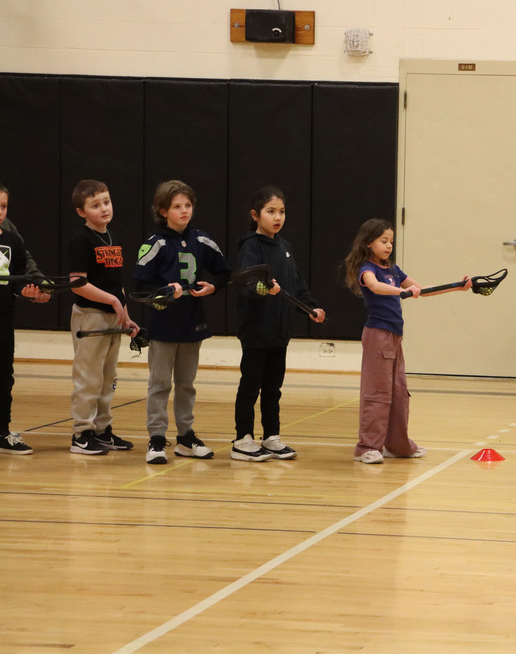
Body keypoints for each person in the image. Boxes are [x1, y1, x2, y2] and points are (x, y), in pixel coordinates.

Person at [341, 218, 470, 464]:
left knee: (398, 392)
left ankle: (398, 445)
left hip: (394, 337)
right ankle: (367, 447)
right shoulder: (367, 269)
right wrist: (402, 291)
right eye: (383, 241)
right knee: (377, 392)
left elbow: (422, 289)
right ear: (369, 243)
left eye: (391, 241)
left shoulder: (393, 270)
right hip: (377, 335)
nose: (389, 245)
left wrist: (458, 287)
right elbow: (375, 286)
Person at [134, 180, 232, 465]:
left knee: (186, 384)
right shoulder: (155, 244)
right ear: (163, 211)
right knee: (160, 383)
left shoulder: (202, 240)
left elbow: (224, 273)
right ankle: (156, 438)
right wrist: (165, 292)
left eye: (188, 205)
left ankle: (186, 437)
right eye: (177, 206)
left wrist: (213, 287)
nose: (184, 211)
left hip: (192, 323)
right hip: (163, 325)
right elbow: (140, 288)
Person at [232, 186, 325, 462]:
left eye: (281, 212)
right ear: (255, 215)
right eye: (270, 211)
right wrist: (265, 289)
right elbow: (247, 282)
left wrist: (311, 307)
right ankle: (242, 438)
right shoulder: (251, 246)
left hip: (279, 331)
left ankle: (271, 436)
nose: (277, 217)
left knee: (273, 388)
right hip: (256, 330)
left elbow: (296, 283)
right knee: (251, 385)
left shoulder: (284, 247)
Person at [68, 179, 140, 455]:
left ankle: (102, 429)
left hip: (112, 319)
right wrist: (110, 300)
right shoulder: (81, 240)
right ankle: (82, 433)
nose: (104, 208)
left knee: (108, 379)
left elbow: (116, 286)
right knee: (89, 378)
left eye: (106, 202)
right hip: (90, 318)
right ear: (81, 212)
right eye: (95, 205)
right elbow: (77, 283)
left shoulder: (114, 238)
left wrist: (125, 316)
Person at [0, 183, 51, 454]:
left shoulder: (12, 239)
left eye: (3, 206)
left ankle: (2, 432)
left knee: (4, 376)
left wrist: (31, 291)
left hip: (3, 320)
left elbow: (18, 277)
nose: (0, 212)